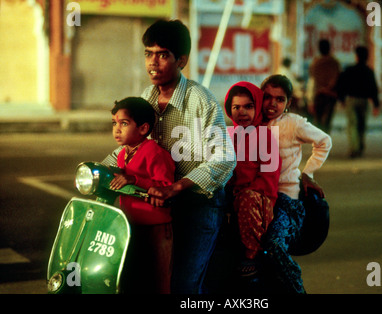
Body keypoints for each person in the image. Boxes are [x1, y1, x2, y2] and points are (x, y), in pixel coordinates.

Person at [102, 19, 236, 294]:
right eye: (148, 54)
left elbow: (224, 157)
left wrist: (177, 186)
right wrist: (98, 169)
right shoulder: (145, 98)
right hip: (156, 205)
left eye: (163, 55)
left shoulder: (202, 100)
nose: (153, 62)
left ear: (181, 60)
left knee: (183, 286)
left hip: (199, 203)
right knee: (146, 280)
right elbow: (132, 145)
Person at [260, 74, 332, 294]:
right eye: (267, 97)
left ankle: (295, 288)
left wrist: (308, 173)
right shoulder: (253, 120)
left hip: (285, 200)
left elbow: (324, 141)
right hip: (258, 197)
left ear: (288, 103)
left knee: (272, 246)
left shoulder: (293, 123)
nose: (272, 103)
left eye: (279, 99)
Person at [109, 97, 176, 294]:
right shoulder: (123, 154)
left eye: (124, 123)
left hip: (155, 228)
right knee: (134, 279)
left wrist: (134, 180)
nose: (117, 129)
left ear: (143, 128)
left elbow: (166, 187)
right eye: (114, 123)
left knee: (158, 281)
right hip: (130, 225)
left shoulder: (154, 152)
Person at [224, 81, 281, 277]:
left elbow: (268, 179)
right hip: (232, 195)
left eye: (248, 106)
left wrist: (243, 192)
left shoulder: (265, 137)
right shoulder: (227, 137)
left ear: (257, 108)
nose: (242, 112)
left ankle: (252, 255)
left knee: (246, 200)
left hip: (257, 198)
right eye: (236, 107)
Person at [337, 45, 380, 158]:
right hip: (364, 101)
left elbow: (341, 84)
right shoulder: (369, 71)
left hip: (352, 100)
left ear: (356, 57)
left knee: (352, 125)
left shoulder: (349, 70)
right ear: (367, 57)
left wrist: (341, 99)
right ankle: (360, 147)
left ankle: (354, 149)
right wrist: (376, 105)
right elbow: (374, 89)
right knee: (361, 125)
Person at [308, 39, 341, 133]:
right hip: (331, 95)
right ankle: (326, 141)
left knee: (318, 120)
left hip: (319, 94)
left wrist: (311, 99)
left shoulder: (315, 63)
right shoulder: (335, 62)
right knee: (327, 120)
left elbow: (312, 79)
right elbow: (338, 78)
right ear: (329, 48)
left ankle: (320, 142)